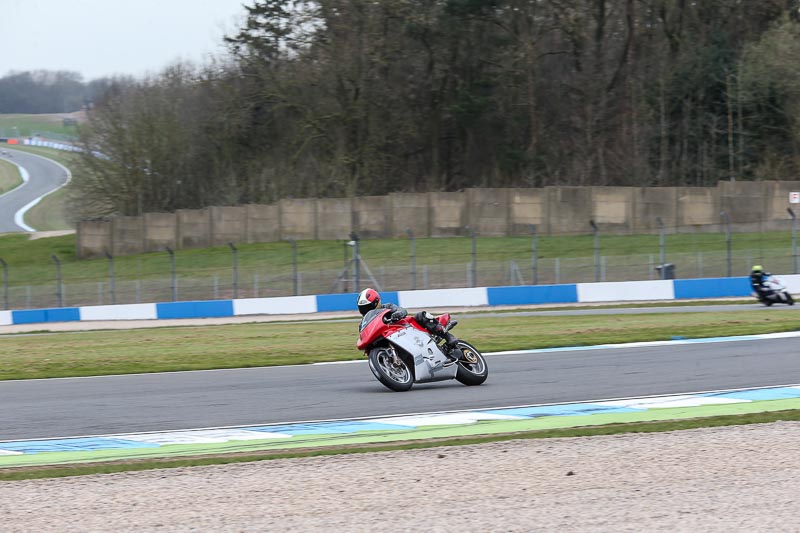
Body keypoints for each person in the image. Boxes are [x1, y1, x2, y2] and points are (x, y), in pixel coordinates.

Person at [356, 287, 462, 358]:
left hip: (404, 329)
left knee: (421, 315)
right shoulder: (363, 323)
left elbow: (402, 310)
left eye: (368, 307)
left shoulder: (387, 307)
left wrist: (397, 314)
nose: (367, 310)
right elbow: (363, 335)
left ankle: (447, 336)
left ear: (377, 302)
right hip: (384, 338)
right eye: (363, 308)